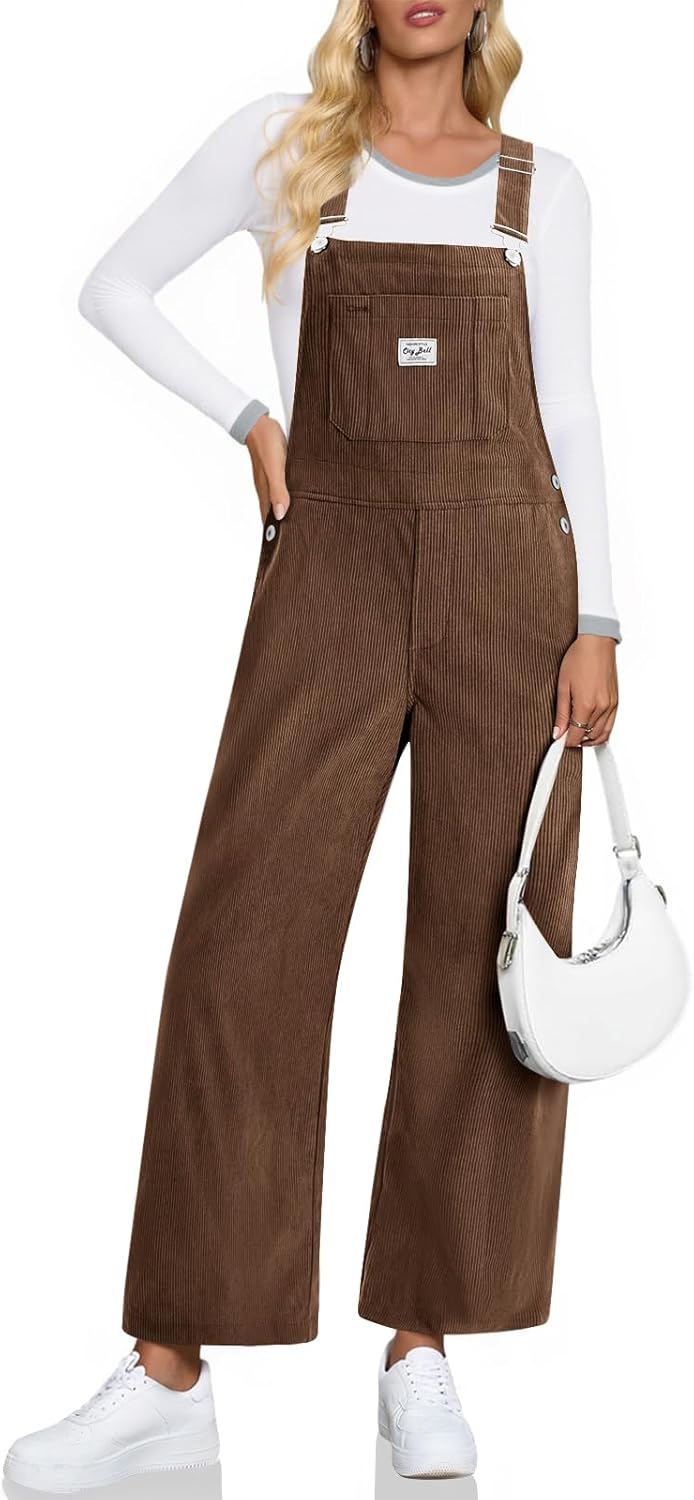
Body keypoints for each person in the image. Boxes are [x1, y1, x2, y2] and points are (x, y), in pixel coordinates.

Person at [4, 0, 621, 1489]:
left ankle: (421, 1350)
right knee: (245, 940)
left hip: (508, 582)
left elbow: (571, 407)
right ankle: (169, 1374)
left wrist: (597, 619)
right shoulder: (284, 149)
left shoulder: (541, 186)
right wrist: (249, 421)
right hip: (328, 565)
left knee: (478, 955)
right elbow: (113, 286)